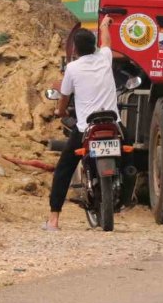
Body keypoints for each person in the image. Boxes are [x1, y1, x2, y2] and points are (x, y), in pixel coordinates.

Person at [44, 15, 120, 231]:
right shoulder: (105, 57)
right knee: (129, 155)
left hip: (87, 127)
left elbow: (64, 97)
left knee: (64, 167)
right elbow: (107, 42)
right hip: (113, 124)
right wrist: (105, 24)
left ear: (75, 50)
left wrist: (59, 111)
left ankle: (54, 219)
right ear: (94, 46)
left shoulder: (73, 68)